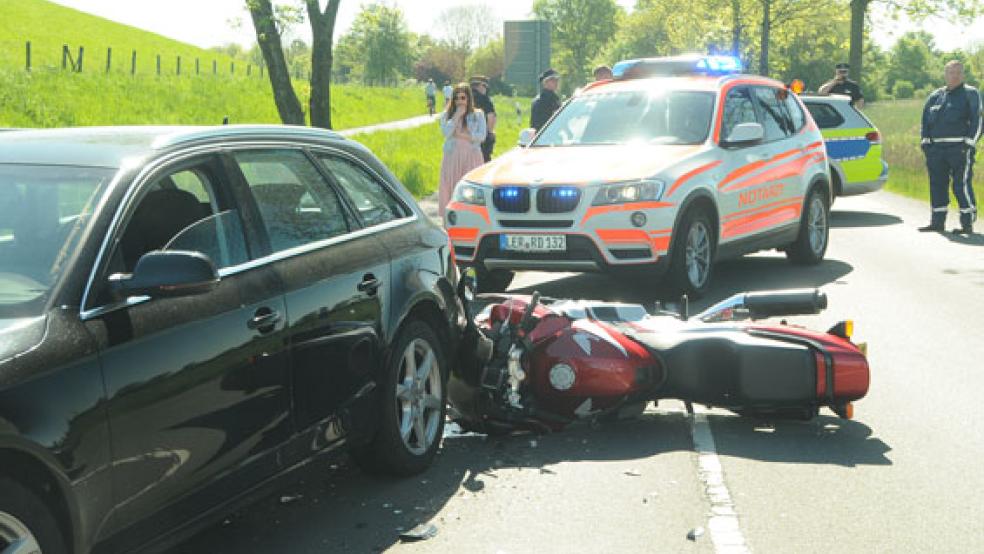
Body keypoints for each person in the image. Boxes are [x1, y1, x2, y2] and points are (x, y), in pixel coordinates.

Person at [918, 60, 981, 234]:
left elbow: (978, 120)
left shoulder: (971, 93)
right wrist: (925, 142)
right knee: (937, 185)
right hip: (936, 150)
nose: (955, 76)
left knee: (960, 185)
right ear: (945, 75)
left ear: (963, 75)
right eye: (951, 73)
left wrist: (969, 143)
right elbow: (924, 121)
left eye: (958, 73)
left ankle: (967, 223)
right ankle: (937, 222)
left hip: (959, 149)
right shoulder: (935, 96)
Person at [439, 83, 487, 218]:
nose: (459, 101)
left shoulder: (477, 115)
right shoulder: (447, 115)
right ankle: (451, 218)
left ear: (468, 99)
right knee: (451, 186)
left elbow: (481, 136)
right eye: (456, 98)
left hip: (471, 155)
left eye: (463, 98)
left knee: (471, 188)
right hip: (452, 156)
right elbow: (446, 133)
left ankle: (472, 217)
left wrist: (461, 135)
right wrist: (456, 116)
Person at [470, 76, 497, 163]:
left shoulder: (464, 98)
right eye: (485, 87)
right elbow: (491, 117)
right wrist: (490, 133)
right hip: (482, 139)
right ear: (481, 85)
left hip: (464, 139)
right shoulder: (485, 100)